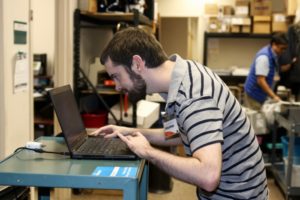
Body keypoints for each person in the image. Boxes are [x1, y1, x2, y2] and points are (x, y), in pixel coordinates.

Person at [91, 27, 268, 199]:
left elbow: (208, 177)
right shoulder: (179, 77)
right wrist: (130, 132)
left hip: (238, 195)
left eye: (116, 76)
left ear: (137, 64)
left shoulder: (194, 95)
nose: (117, 86)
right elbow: (178, 133)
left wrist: (148, 151)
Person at [244, 32, 289, 111]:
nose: (283, 51)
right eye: (282, 48)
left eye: (285, 49)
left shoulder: (273, 54)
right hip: (254, 96)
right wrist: (273, 96)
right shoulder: (264, 57)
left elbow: (274, 70)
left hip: (261, 95)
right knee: (255, 120)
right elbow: (261, 81)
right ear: (274, 45)